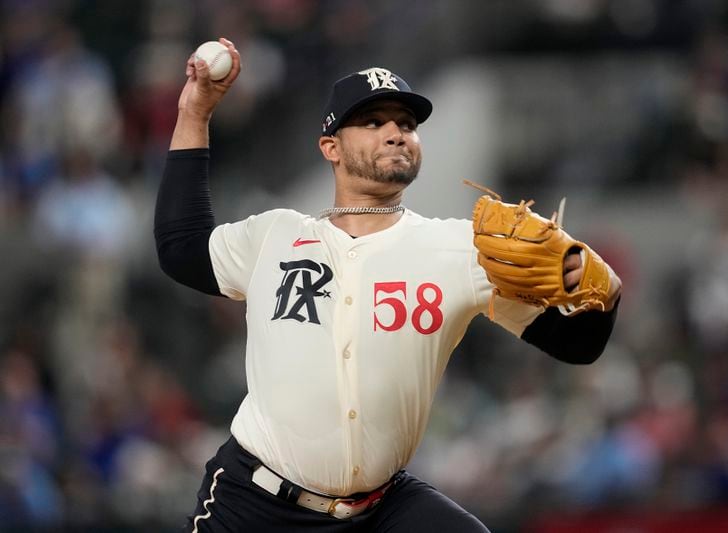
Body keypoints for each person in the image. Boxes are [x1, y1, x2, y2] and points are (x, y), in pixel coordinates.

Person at [155, 38, 621, 532]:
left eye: (407, 124)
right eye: (374, 122)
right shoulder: (276, 234)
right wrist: (195, 113)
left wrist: (605, 293)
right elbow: (181, 248)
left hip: (379, 510)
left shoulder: (462, 249)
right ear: (330, 147)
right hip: (254, 505)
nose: (396, 132)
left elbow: (577, 345)